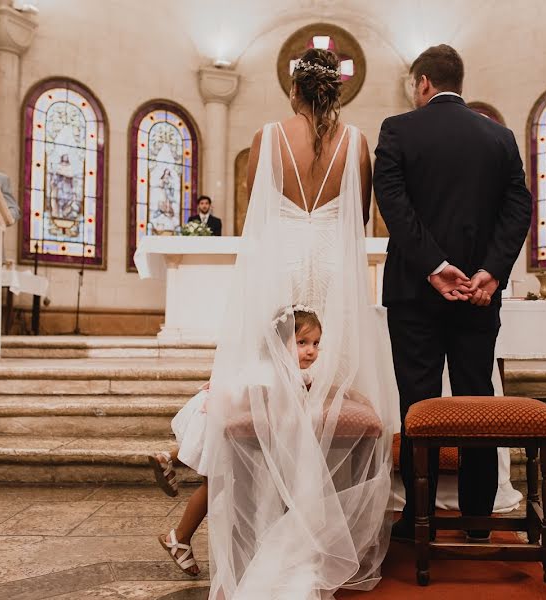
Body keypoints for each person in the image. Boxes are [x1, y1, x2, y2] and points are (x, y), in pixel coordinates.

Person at [170, 48, 397, 599]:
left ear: (293, 90)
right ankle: (323, 526)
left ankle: (270, 520)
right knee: (327, 382)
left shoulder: (269, 136)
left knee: (274, 388)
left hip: (282, 264)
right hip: (334, 272)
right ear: (336, 93)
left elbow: (258, 214)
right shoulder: (358, 142)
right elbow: (360, 215)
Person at [374, 44, 532, 544]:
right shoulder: (499, 136)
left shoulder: (397, 130)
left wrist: (434, 267)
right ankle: (478, 519)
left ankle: (418, 515)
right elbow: (518, 209)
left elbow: (394, 207)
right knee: (476, 398)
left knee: (416, 402)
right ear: (457, 83)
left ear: (422, 83)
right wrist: (490, 271)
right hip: (479, 296)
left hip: (414, 294)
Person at [153, 306, 323, 577]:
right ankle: (179, 537)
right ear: (278, 344)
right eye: (302, 343)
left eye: (316, 344)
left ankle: (170, 467)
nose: (311, 351)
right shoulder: (268, 375)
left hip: (220, 418)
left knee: (213, 485)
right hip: (216, 419)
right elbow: (249, 411)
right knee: (213, 485)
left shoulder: (285, 371)